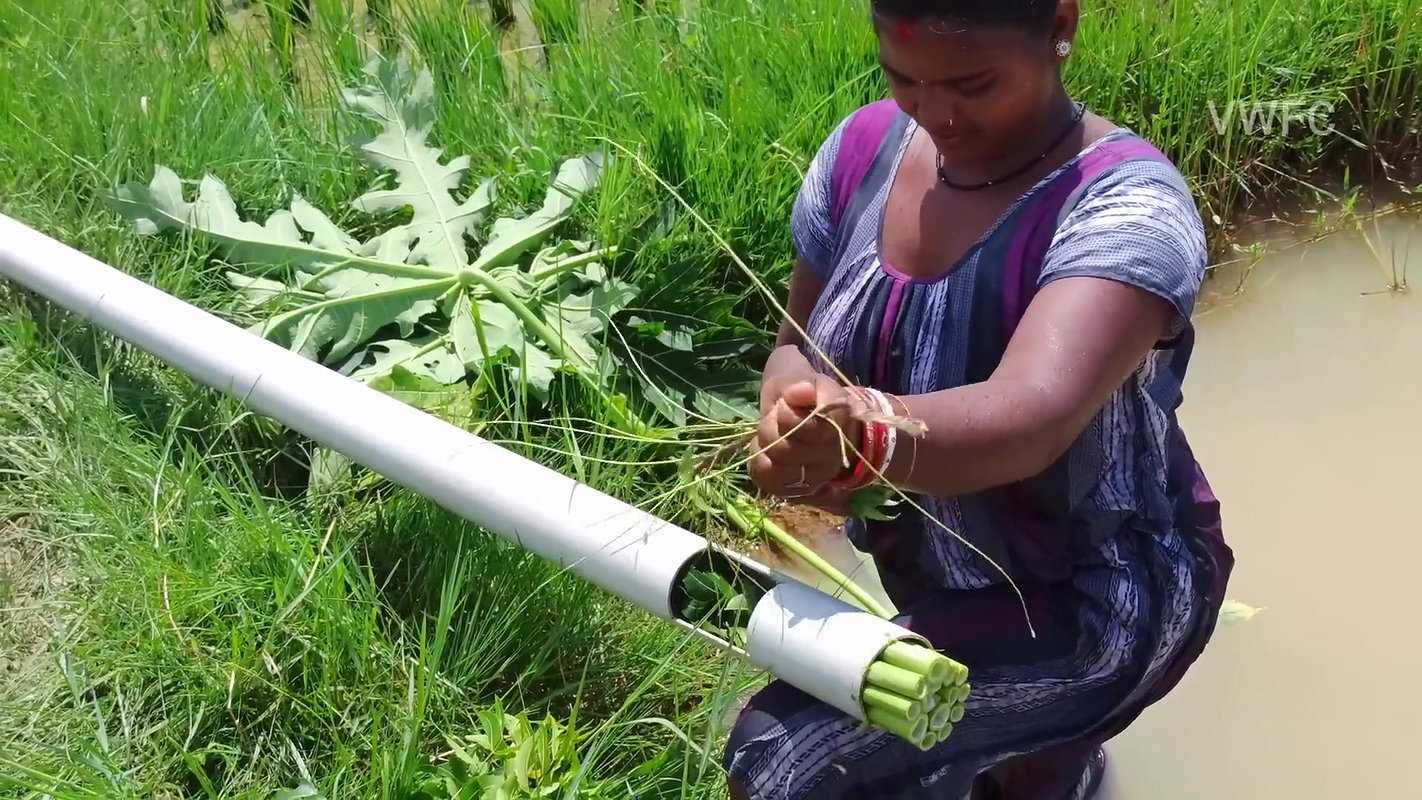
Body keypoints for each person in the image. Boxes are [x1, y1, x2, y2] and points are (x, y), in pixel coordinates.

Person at [725, 1, 1236, 798]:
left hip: (1097, 598)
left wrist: (871, 441)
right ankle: (1047, 764)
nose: (936, 114)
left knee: (780, 757)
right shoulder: (863, 152)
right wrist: (792, 417)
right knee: (1008, 765)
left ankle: (1053, 747)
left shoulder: (1124, 205)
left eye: (973, 83)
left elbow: (1031, 414)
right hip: (937, 577)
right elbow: (797, 341)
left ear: (1060, 23)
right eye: (905, 79)